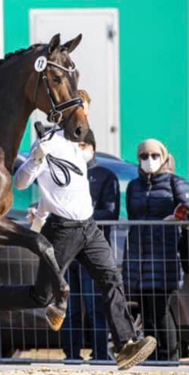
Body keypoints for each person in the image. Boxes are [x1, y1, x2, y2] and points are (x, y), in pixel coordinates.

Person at [0, 90, 156, 370]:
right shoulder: (47, 143)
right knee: (42, 296)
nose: (85, 117)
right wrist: (36, 160)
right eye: (81, 111)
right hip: (62, 230)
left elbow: (59, 190)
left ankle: (126, 344)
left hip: (88, 227)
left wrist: (41, 212)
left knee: (112, 279)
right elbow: (20, 183)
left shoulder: (77, 143)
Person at [123, 139, 189, 361]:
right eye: (144, 156)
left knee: (161, 310)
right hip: (138, 255)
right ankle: (151, 359)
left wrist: (178, 216)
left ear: (163, 156)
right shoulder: (134, 186)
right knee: (146, 312)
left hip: (164, 253)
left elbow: (187, 207)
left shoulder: (175, 182)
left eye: (154, 156)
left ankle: (169, 358)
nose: (149, 160)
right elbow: (133, 217)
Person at [62, 128, 119, 361]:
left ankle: (100, 353)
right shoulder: (66, 174)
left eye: (82, 145)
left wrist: (80, 215)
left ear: (92, 147)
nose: (78, 149)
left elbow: (110, 212)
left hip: (92, 249)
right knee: (69, 306)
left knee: (94, 304)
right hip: (68, 250)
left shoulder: (105, 175)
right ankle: (71, 354)